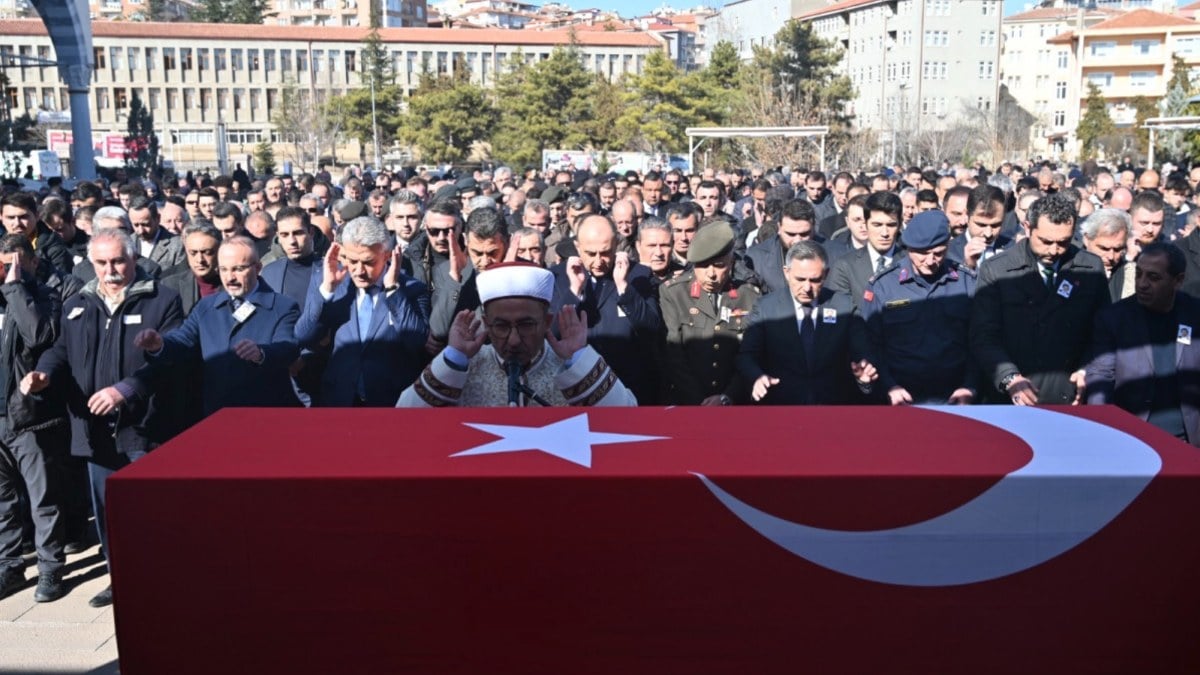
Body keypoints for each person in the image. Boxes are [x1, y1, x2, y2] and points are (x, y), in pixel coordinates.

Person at [22, 228, 184, 608]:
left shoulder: (163, 300)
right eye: (102, 263)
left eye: (118, 261)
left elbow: (173, 360)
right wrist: (43, 373)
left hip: (145, 427)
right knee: (109, 511)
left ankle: (161, 579)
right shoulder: (79, 301)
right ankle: (120, 578)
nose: (110, 270)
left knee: (150, 512)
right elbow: (61, 348)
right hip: (95, 431)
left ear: (133, 259)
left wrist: (125, 389)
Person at [397, 262, 637, 407]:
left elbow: (627, 418)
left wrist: (579, 358)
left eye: (526, 325)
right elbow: (405, 417)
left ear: (547, 322)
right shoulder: (466, 366)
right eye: (501, 326)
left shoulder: (570, 365)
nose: (513, 340)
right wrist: (453, 359)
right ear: (486, 324)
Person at [133, 236, 301, 416]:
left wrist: (261, 353)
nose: (230, 277)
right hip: (217, 412)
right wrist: (160, 344)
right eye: (223, 269)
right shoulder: (207, 307)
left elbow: (288, 347)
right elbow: (183, 339)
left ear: (258, 268)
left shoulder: (282, 306)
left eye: (238, 269)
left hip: (265, 412)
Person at [970, 192, 1110, 405]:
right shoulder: (998, 269)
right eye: (1046, 241)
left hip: (1068, 393)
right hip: (1012, 396)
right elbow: (983, 335)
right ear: (1027, 228)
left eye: (1063, 242)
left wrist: (1087, 370)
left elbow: (1102, 332)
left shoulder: (1090, 267)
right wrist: (1010, 377)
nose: (1054, 250)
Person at [295, 217, 429, 407]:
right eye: (352, 261)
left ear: (388, 256)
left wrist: (392, 291)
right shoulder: (329, 282)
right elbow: (304, 335)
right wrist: (327, 290)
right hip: (339, 399)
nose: (358, 271)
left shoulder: (411, 289)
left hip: (391, 402)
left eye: (368, 262)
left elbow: (417, 342)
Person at [0, 235, 67, 604]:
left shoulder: (45, 296)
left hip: (28, 416)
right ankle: (9, 565)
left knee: (42, 498)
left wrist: (15, 290)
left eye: (15, 263)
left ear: (30, 262)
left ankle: (50, 569)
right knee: (3, 500)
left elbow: (39, 334)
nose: (8, 271)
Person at [736, 240, 877, 405]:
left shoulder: (844, 306)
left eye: (815, 280)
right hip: (783, 407)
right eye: (800, 279)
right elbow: (747, 356)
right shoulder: (767, 307)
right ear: (786, 273)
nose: (807, 287)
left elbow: (863, 351)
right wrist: (757, 377)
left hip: (832, 409)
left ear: (826, 274)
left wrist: (864, 374)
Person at [1086, 243, 1200, 445]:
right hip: (1133, 436)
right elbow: (1101, 374)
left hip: (1187, 439)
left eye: (1153, 277)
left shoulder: (1194, 313)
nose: (1142, 283)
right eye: (1139, 274)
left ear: (1178, 280)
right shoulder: (1114, 318)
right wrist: (1100, 426)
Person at [863, 211, 977, 405]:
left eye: (938, 253)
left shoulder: (967, 282)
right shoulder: (883, 285)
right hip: (902, 396)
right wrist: (889, 386)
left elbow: (979, 341)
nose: (931, 261)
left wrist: (970, 386)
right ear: (909, 249)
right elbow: (871, 345)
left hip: (956, 396)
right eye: (923, 253)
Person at [550, 214, 663, 405]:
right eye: (590, 253)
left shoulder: (639, 275)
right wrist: (574, 292)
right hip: (577, 390)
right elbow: (551, 334)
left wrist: (624, 288)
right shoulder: (558, 277)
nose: (599, 260)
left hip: (629, 390)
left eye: (605, 253)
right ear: (577, 247)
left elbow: (653, 329)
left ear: (616, 245)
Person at [660, 222, 761, 405]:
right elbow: (674, 353)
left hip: (734, 401)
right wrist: (700, 401)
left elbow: (752, 353)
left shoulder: (749, 296)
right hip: (689, 400)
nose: (711, 274)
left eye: (719, 265)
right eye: (703, 266)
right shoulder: (675, 293)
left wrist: (728, 396)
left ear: (731, 263)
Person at [827, 191, 903, 310]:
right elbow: (840, 313)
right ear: (866, 224)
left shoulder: (911, 263)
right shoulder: (845, 266)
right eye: (877, 225)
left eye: (891, 225)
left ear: (899, 225)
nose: (884, 233)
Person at [745, 199, 820, 295]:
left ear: (813, 228)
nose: (797, 240)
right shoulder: (756, 257)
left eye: (804, 234)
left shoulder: (835, 254)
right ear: (779, 228)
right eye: (791, 234)